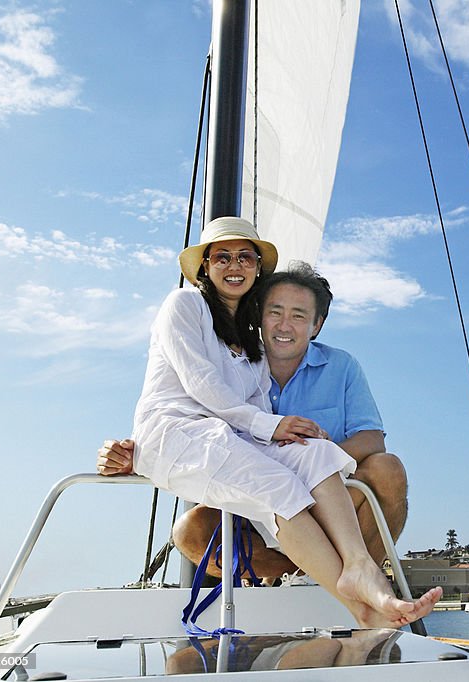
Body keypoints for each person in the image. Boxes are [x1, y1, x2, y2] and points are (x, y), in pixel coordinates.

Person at [126, 216, 439, 627]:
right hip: (180, 434)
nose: (234, 265)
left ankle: (361, 568)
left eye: (245, 256)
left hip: (230, 440)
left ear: (257, 267)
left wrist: (295, 440)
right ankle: (355, 604)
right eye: (222, 257)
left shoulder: (251, 346)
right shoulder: (183, 306)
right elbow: (200, 383)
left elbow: (256, 409)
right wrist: (272, 428)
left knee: (317, 456)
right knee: (277, 484)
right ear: (204, 266)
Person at [98, 264, 407, 579]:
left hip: (331, 495)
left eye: (299, 316)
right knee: (189, 531)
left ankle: (360, 578)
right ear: (259, 314)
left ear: (317, 325)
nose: (284, 326)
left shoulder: (342, 365)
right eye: (275, 312)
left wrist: (318, 463)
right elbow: (189, 410)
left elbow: (371, 439)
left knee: (387, 469)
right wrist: (128, 454)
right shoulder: (230, 362)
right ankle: (301, 575)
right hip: (251, 502)